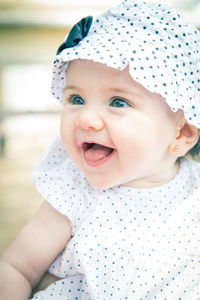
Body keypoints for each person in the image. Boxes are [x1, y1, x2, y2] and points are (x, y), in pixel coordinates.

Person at [1, 0, 200, 299]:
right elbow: (16, 268)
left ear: (182, 132)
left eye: (118, 102)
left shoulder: (193, 192)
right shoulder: (73, 190)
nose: (85, 118)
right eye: (76, 99)